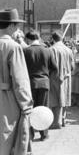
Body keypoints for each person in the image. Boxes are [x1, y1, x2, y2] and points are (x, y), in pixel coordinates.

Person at [0, 9, 33, 155]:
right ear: (11, 25)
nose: (18, 29)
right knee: (7, 138)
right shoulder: (13, 46)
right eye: (17, 25)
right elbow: (20, 81)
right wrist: (27, 106)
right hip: (7, 99)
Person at [24, 29, 58, 141]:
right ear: (38, 38)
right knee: (43, 109)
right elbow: (54, 68)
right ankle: (44, 134)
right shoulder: (47, 50)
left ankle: (30, 135)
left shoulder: (25, 51)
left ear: (28, 39)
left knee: (30, 110)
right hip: (44, 83)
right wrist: (47, 76)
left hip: (30, 83)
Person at [49, 31, 74, 129]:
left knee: (55, 99)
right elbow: (72, 66)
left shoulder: (51, 49)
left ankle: (56, 122)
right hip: (67, 77)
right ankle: (63, 119)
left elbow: (49, 66)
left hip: (54, 77)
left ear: (53, 39)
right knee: (65, 98)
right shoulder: (69, 50)